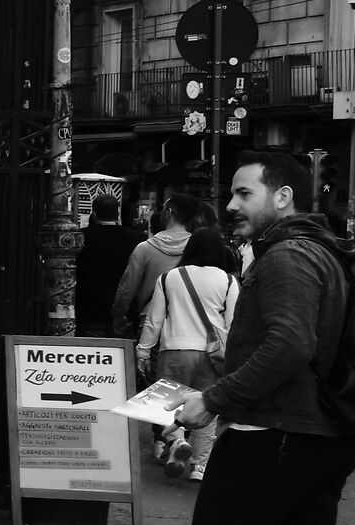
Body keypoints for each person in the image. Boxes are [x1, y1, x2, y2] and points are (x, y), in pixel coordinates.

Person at [173, 151, 355, 525]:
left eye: (244, 194)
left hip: (271, 437)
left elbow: (290, 343)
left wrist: (216, 399)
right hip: (323, 436)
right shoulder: (329, 252)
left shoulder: (284, 258)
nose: (231, 206)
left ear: (283, 198)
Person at [138, 228, 241, 483]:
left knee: (167, 405)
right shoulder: (227, 281)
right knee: (208, 405)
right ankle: (199, 465)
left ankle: (176, 441)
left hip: (175, 349)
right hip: (212, 354)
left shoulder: (169, 278)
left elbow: (155, 319)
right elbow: (234, 323)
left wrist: (143, 349)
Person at [114, 193, 210, 341]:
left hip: (150, 322)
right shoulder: (199, 247)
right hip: (190, 323)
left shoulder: (145, 249)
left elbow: (127, 288)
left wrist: (119, 317)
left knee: (151, 362)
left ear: (169, 212)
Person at [75, 194, 141, 338]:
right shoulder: (136, 238)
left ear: (94, 214)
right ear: (117, 213)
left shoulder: (80, 237)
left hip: (90, 309)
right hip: (124, 310)